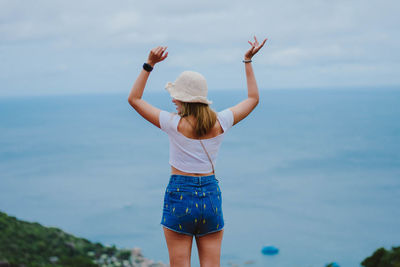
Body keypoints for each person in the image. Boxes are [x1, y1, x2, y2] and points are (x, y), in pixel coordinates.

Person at [128, 36, 267, 267]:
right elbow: (253, 98)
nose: (173, 100)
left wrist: (149, 64)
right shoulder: (221, 122)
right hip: (210, 196)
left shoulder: (173, 124)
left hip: (180, 195)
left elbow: (134, 99)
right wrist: (247, 60)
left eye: (176, 96)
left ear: (184, 99)